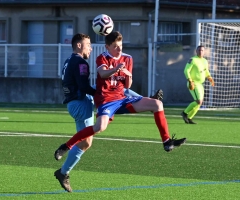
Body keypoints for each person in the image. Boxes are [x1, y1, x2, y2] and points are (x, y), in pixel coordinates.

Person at [54, 31, 186, 191]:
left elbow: (125, 86)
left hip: (77, 102)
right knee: (86, 142)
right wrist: (103, 93)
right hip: (81, 102)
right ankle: (64, 163)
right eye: (88, 45)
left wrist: (122, 78)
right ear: (79, 45)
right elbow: (85, 87)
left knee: (124, 92)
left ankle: (150, 104)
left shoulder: (71, 60)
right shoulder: (82, 62)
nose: (90, 48)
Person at [181, 45, 215, 124]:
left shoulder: (205, 61)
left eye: (202, 50)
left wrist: (209, 77)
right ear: (196, 51)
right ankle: (185, 113)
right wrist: (189, 80)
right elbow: (186, 70)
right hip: (193, 83)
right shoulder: (192, 60)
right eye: (199, 50)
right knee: (198, 101)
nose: (200, 51)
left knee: (199, 103)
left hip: (200, 84)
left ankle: (189, 118)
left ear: (204, 52)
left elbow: (206, 71)